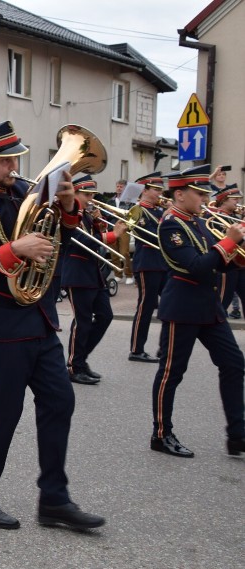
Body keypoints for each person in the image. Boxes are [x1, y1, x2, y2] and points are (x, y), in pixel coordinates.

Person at [0, 121, 104, 530]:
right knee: (3, 414)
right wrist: (13, 249)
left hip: (38, 320)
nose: (13, 166)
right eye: (4, 160)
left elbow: (57, 244)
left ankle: (54, 499)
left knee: (60, 403)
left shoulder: (25, 193)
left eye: (15, 158)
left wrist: (70, 208)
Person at [151, 165, 245, 458]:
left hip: (208, 305)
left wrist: (236, 251)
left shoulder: (197, 221)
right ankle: (161, 433)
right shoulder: (171, 224)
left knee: (233, 363)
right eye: (199, 193)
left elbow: (217, 262)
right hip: (183, 306)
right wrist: (229, 240)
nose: (204, 199)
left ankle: (238, 434)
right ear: (180, 195)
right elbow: (195, 265)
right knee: (171, 372)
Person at [61, 175, 125, 385]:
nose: (91, 199)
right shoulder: (71, 213)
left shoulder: (87, 215)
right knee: (83, 321)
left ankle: (80, 359)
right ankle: (74, 366)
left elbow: (97, 241)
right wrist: (114, 235)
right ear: (75, 193)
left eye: (92, 195)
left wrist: (98, 221)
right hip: (77, 273)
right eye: (86, 194)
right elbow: (81, 241)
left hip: (93, 273)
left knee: (105, 316)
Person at [128, 173, 168, 363]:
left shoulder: (159, 211)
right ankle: (136, 349)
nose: (160, 193)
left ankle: (164, 347)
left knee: (170, 305)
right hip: (148, 263)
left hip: (163, 263)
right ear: (145, 190)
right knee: (146, 306)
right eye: (156, 190)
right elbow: (151, 236)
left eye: (161, 190)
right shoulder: (138, 210)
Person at [213, 184, 245, 317]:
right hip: (228, 264)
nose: (238, 202)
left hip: (241, 264)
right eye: (234, 199)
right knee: (222, 301)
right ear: (224, 200)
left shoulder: (235, 217)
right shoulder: (216, 217)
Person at [107, 179, 135, 284]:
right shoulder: (110, 201)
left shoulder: (130, 201)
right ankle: (117, 274)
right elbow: (105, 215)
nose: (119, 188)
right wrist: (110, 213)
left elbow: (132, 215)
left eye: (121, 187)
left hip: (123, 229)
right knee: (114, 253)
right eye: (117, 186)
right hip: (112, 228)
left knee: (124, 253)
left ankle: (128, 274)